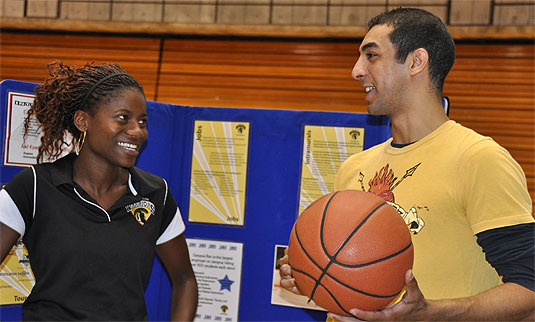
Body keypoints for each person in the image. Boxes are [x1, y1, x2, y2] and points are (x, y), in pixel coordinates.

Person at [280, 7, 535, 321]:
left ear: (416, 62)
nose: (356, 71)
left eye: (371, 56)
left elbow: (529, 289)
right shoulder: (353, 167)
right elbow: (356, 282)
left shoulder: (477, 158)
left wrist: (432, 313)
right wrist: (313, 274)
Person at [0, 61, 198, 321]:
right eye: (123, 118)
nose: (138, 131)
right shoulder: (34, 186)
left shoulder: (155, 193)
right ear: (83, 121)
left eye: (142, 121)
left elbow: (185, 280)